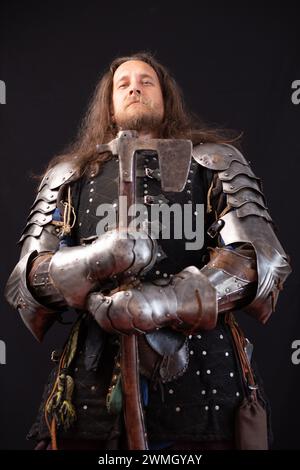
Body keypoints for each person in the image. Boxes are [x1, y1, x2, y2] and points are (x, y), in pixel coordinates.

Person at [5, 52, 291, 451]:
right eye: (123, 84)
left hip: (204, 379)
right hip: (92, 387)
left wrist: (164, 302)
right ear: (109, 104)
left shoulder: (214, 161)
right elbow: (25, 283)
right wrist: (95, 261)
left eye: (146, 81)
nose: (135, 87)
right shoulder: (69, 175)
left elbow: (263, 261)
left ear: (165, 97)